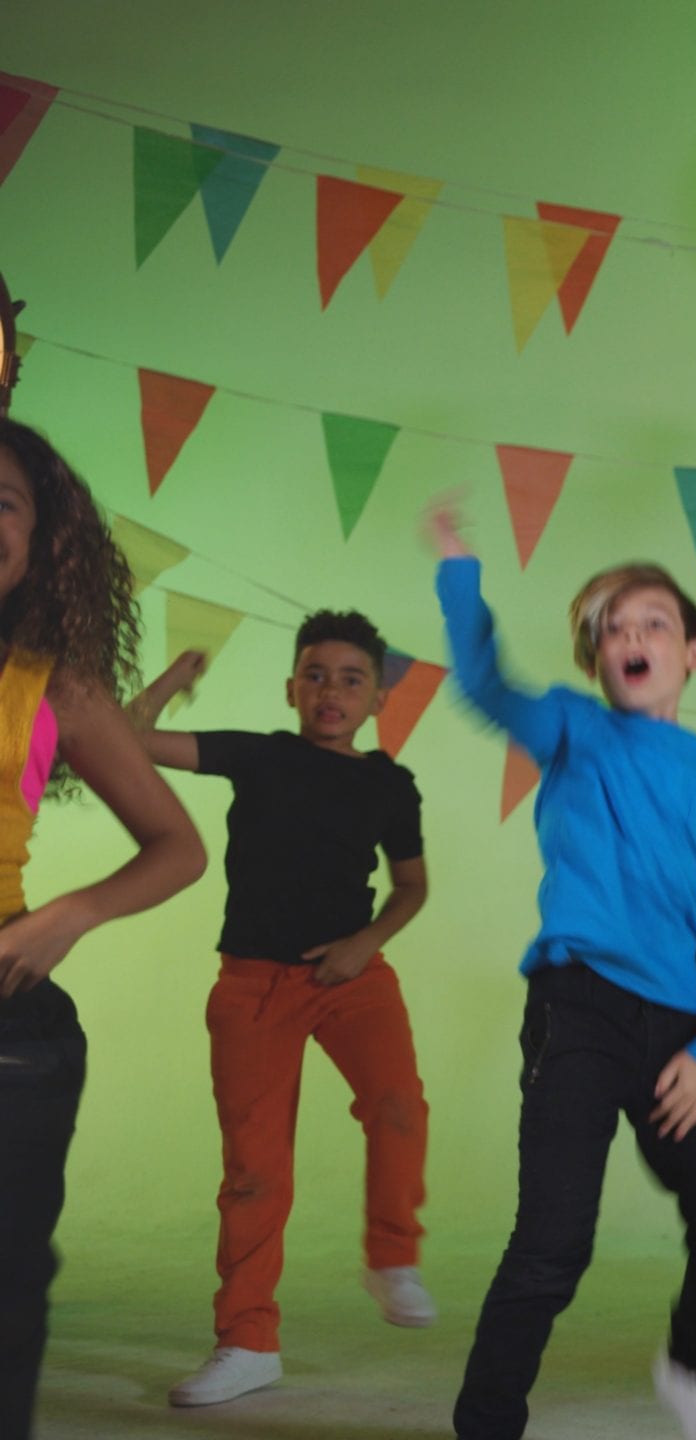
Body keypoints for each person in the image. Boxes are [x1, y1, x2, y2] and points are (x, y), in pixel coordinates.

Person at [429, 504, 696, 1440]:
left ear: (692, 652)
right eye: (614, 627)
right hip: (576, 1012)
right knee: (551, 1247)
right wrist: (462, 574)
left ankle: (690, 1367)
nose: (633, 636)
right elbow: (484, 682)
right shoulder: (570, 728)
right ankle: (486, 1424)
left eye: (654, 622)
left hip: (680, 1036)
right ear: (595, 658)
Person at [128, 612, 436, 1408]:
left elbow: (412, 886)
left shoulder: (388, 784)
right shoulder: (258, 753)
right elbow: (125, 740)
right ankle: (247, 1342)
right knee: (256, 1173)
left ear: (376, 700)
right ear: (292, 687)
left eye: (350, 678)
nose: (330, 690)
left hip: (350, 977)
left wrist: (363, 944)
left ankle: (391, 1254)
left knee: (399, 1104)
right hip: (254, 984)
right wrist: (170, 682)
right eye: (315, 673)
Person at [0, 417, 206, 1440]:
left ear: (39, 542)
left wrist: (67, 917)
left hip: (5, 1012)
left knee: (2, 1283)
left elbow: (178, 846)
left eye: (2, 503)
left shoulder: (57, 685)